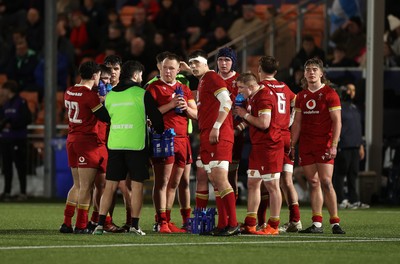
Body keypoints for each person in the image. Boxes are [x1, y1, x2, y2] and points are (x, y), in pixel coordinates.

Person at [93, 60, 164, 235]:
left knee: (109, 186)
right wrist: (155, 127)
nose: (141, 77)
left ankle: (100, 224)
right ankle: (134, 225)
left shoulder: (111, 95)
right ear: (135, 75)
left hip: (115, 144)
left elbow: (105, 117)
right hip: (136, 145)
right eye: (140, 74)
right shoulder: (141, 93)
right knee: (137, 186)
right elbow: (157, 120)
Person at [290, 57, 346, 234]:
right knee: (313, 182)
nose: (311, 72)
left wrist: (334, 144)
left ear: (321, 73)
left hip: (324, 144)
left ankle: (335, 223)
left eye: (315, 69)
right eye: (308, 70)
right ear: (304, 75)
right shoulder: (301, 96)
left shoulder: (330, 94)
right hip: (306, 145)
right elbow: (297, 123)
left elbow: (337, 122)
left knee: (326, 182)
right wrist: (292, 145)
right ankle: (317, 224)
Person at [188, 50, 239, 236]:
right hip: (207, 135)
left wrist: (217, 126)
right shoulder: (203, 80)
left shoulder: (212, 78)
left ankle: (233, 223)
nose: (193, 66)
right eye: (190, 63)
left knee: (220, 178)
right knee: (214, 180)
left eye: (196, 62)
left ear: (206, 63)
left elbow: (227, 102)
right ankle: (223, 223)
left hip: (218, 134)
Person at [147, 52, 197, 233]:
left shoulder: (184, 88)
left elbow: (196, 114)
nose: (168, 71)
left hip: (183, 139)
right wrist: (171, 104)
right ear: (160, 67)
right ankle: (160, 221)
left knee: (175, 183)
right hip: (164, 139)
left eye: (171, 68)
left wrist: (186, 108)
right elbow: (149, 115)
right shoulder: (153, 88)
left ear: (178, 70)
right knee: (162, 182)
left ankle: (167, 220)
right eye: (165, 67)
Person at [60, 61, 110, 234]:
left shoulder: (69, 91)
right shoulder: (90, 96)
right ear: (95, 75)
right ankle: (81, 224)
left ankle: (67, 222)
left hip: (72, 140)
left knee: (77, 184)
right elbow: (104, 116)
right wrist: (106, 101)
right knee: (86, 187)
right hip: (86, 142)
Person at [234, 72, 283, 235]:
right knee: (253, 183)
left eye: (241, 88)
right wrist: (241, 125)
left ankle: (274, 225)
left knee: (272, 186)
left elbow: (263, 123)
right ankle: (250, 223)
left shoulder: (263, 97)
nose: (239, 91)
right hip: (258, 146)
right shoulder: (254, 96)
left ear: (251, 86)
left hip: (270, 146)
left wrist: (244, 115)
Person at [258, 55, 301, 233]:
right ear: (275, 71)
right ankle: (295, 220)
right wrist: (289, 121)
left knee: (264, 181)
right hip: (286, 137)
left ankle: (262, 222)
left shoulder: (261, 87)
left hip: (271, 136)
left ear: (259, 69)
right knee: (287, 181)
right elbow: (297, 102)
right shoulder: (284, 86)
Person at [102, 54, 133, 232]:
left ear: (121, 71)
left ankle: (129, 221)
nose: (112, 72)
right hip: (103, 142)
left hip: (123, 141)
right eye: (109, 69)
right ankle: (106, 220)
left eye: (116, 69)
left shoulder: (127, 90)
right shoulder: (99, 90)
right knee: (106, 185)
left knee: (124, 184)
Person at [333, 83, 369, 209]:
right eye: (349, 90)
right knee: (341, 173)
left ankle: (354, 200)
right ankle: (340, 199)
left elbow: (358, 128)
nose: (351, 92)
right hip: (344, 145)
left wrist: (361, 145)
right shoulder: (339, 107)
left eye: (353, 90)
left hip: (355, 145)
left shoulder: (354, 107)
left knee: (353, 174)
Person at [0, 80, 31, 201]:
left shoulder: (21, 102)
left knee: (20, 166)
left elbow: (27, 119)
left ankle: (23, 192)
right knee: (7, 167)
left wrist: (12, 124)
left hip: (18, 139)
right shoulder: (6, 104)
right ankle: (7, 192)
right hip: (6, 139)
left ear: (9, 90)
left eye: (4, 89)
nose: (2, 92)